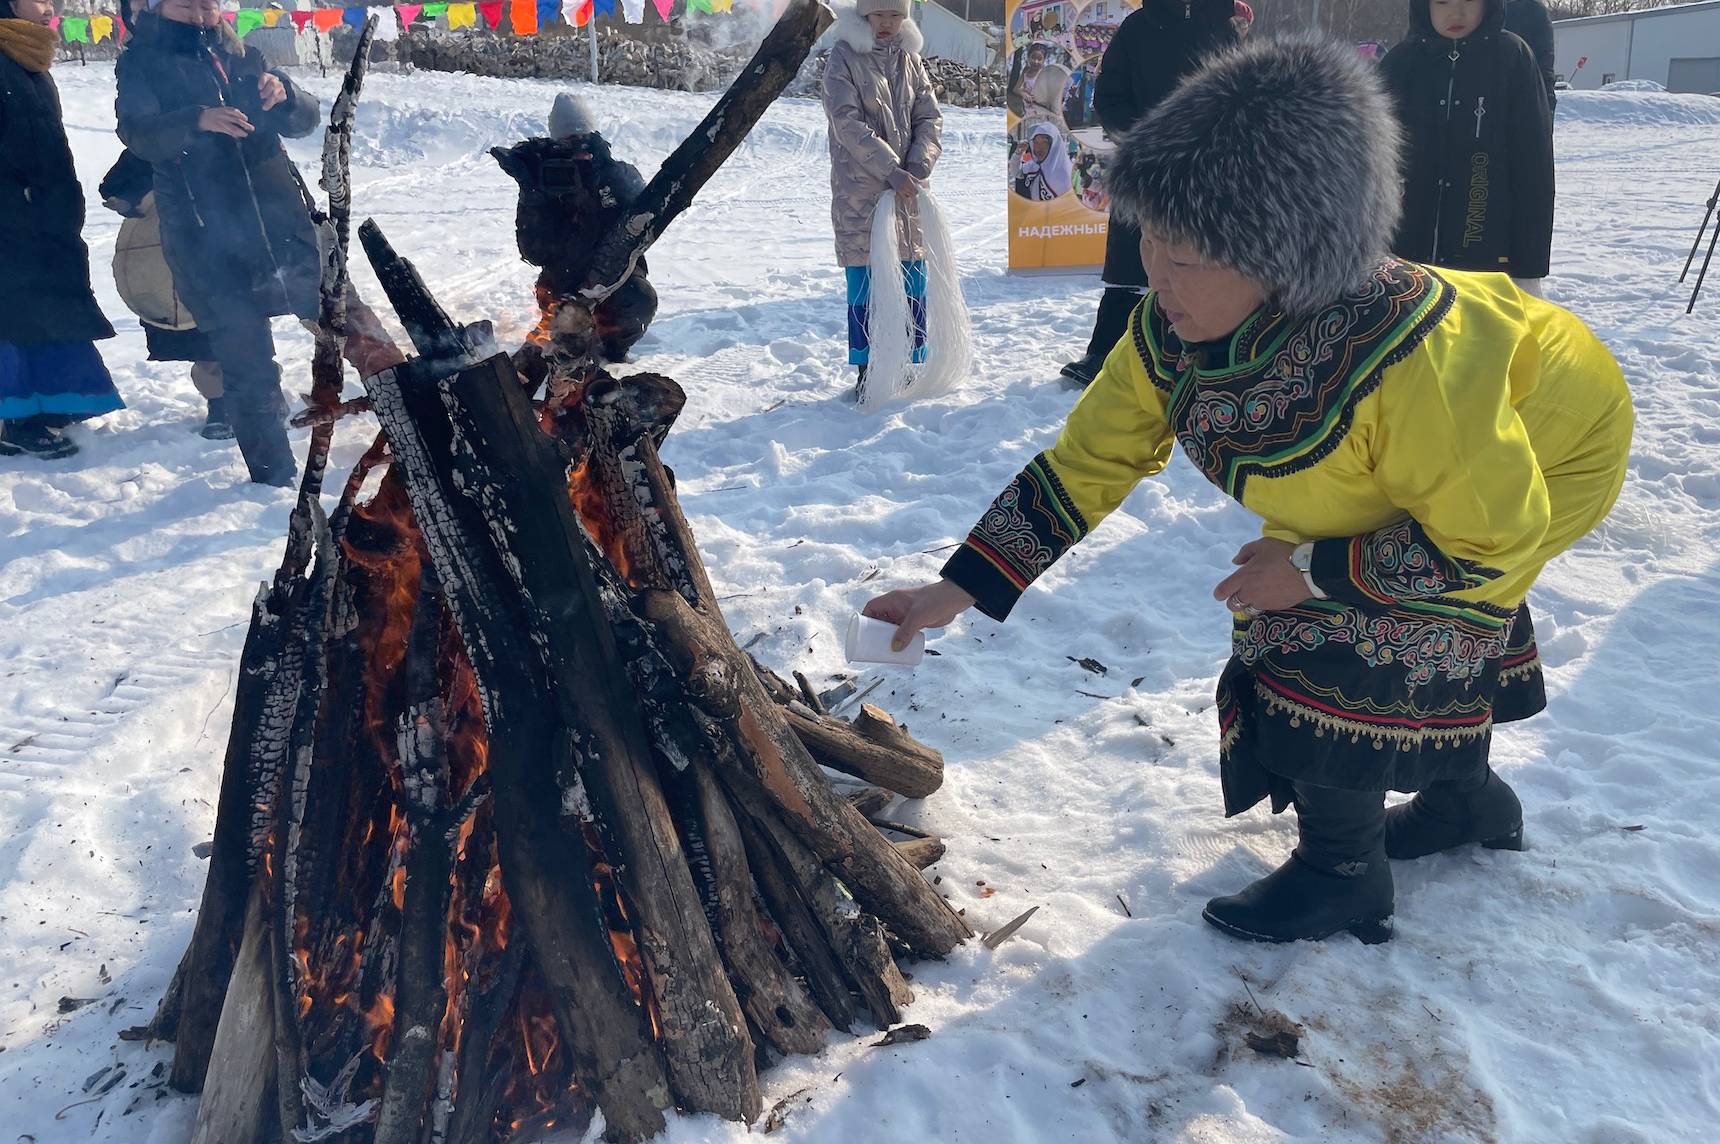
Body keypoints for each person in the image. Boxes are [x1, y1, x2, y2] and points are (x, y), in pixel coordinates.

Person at [864, 36, 1633, 945]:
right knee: (1348, 582)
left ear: (1289, 255)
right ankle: (1468, 801)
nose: (1156, 275)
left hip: (1546, 452)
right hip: (1418, 477)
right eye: (1149, 237)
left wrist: (1311, 571)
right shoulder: (1168, 331)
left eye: (1187, 256)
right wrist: (959, 586)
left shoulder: (1414, 363)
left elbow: (1488, 539)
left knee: (1335, 625)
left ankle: (1343, 872)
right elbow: (1087, 463)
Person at [116, 0, 327, 486]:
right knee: (245, 358)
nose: (200, 10)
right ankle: (273, 480)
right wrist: (197, 120)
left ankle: (412, 417)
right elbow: (138, 134)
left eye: (208, 1)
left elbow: (304, 121)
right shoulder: (141, 61)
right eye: (186, 2)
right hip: (205, 233)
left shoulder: (241, 53)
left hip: (280, 225)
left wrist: (287, 95)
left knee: (345, 320)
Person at [1059, 0, 1235, 387]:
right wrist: (1144, 139)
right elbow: (1108, 98)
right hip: (1145, 165)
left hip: (1207, 171)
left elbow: (1244, 99)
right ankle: (1103, 354)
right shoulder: (1138, 27)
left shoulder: (1222, 27)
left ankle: (1211, 354)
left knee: (1204, 264)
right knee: (1129, 262)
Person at [0, 0, 125, 459]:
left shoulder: (24, 56)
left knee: (46, 308)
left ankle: (45, 408)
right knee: (12, 317)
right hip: (12, 216)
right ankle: (18, 419)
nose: (49, 5)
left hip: (42, 212)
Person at [1382, 0, 1554, 293]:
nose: (1456, 12)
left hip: (1487, 257)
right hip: (1405, 259)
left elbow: (1533, 169)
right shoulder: (1401, 64)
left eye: (1468, 1)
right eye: (1443, 2)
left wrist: (1528, 266)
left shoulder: (1512, 58)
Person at [822, 0, 942, 400]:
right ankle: (867, 366)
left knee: (911, 275)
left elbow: (929, 116)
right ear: (865, 15)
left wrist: (918, 165)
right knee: (866, 280)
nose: (888, 24)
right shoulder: (844, 57)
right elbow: (847, 122)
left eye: (896, 15)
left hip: (908, 190)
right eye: (880, 15)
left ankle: (911, 361)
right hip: (862, 192)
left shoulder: (910, 59)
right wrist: (890, 169)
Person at [492, 93, 659, 364]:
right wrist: (533, 195)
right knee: (562, 340)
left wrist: (605, 177)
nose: (577, 149)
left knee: (639, 300)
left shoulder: (615, 173)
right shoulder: (545, 180)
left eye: (583, 138)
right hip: (562, 283)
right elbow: (534, 252)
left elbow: (646, 221)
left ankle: (611, 354)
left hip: (618, 280)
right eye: (567, 142)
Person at [1504, 0, 1557, 122]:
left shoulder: (1533, 10)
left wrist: (1545, 101)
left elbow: (1544, 64)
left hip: (1529, 97)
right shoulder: (1482, 9)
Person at [1016, 123, 1072, 201]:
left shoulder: (1066, 176)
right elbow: (1016, 172)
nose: (1039, 148)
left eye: (1044, 142)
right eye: (1036, 142)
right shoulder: (1035, 165)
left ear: (1055, 145)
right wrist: (1018, 153)